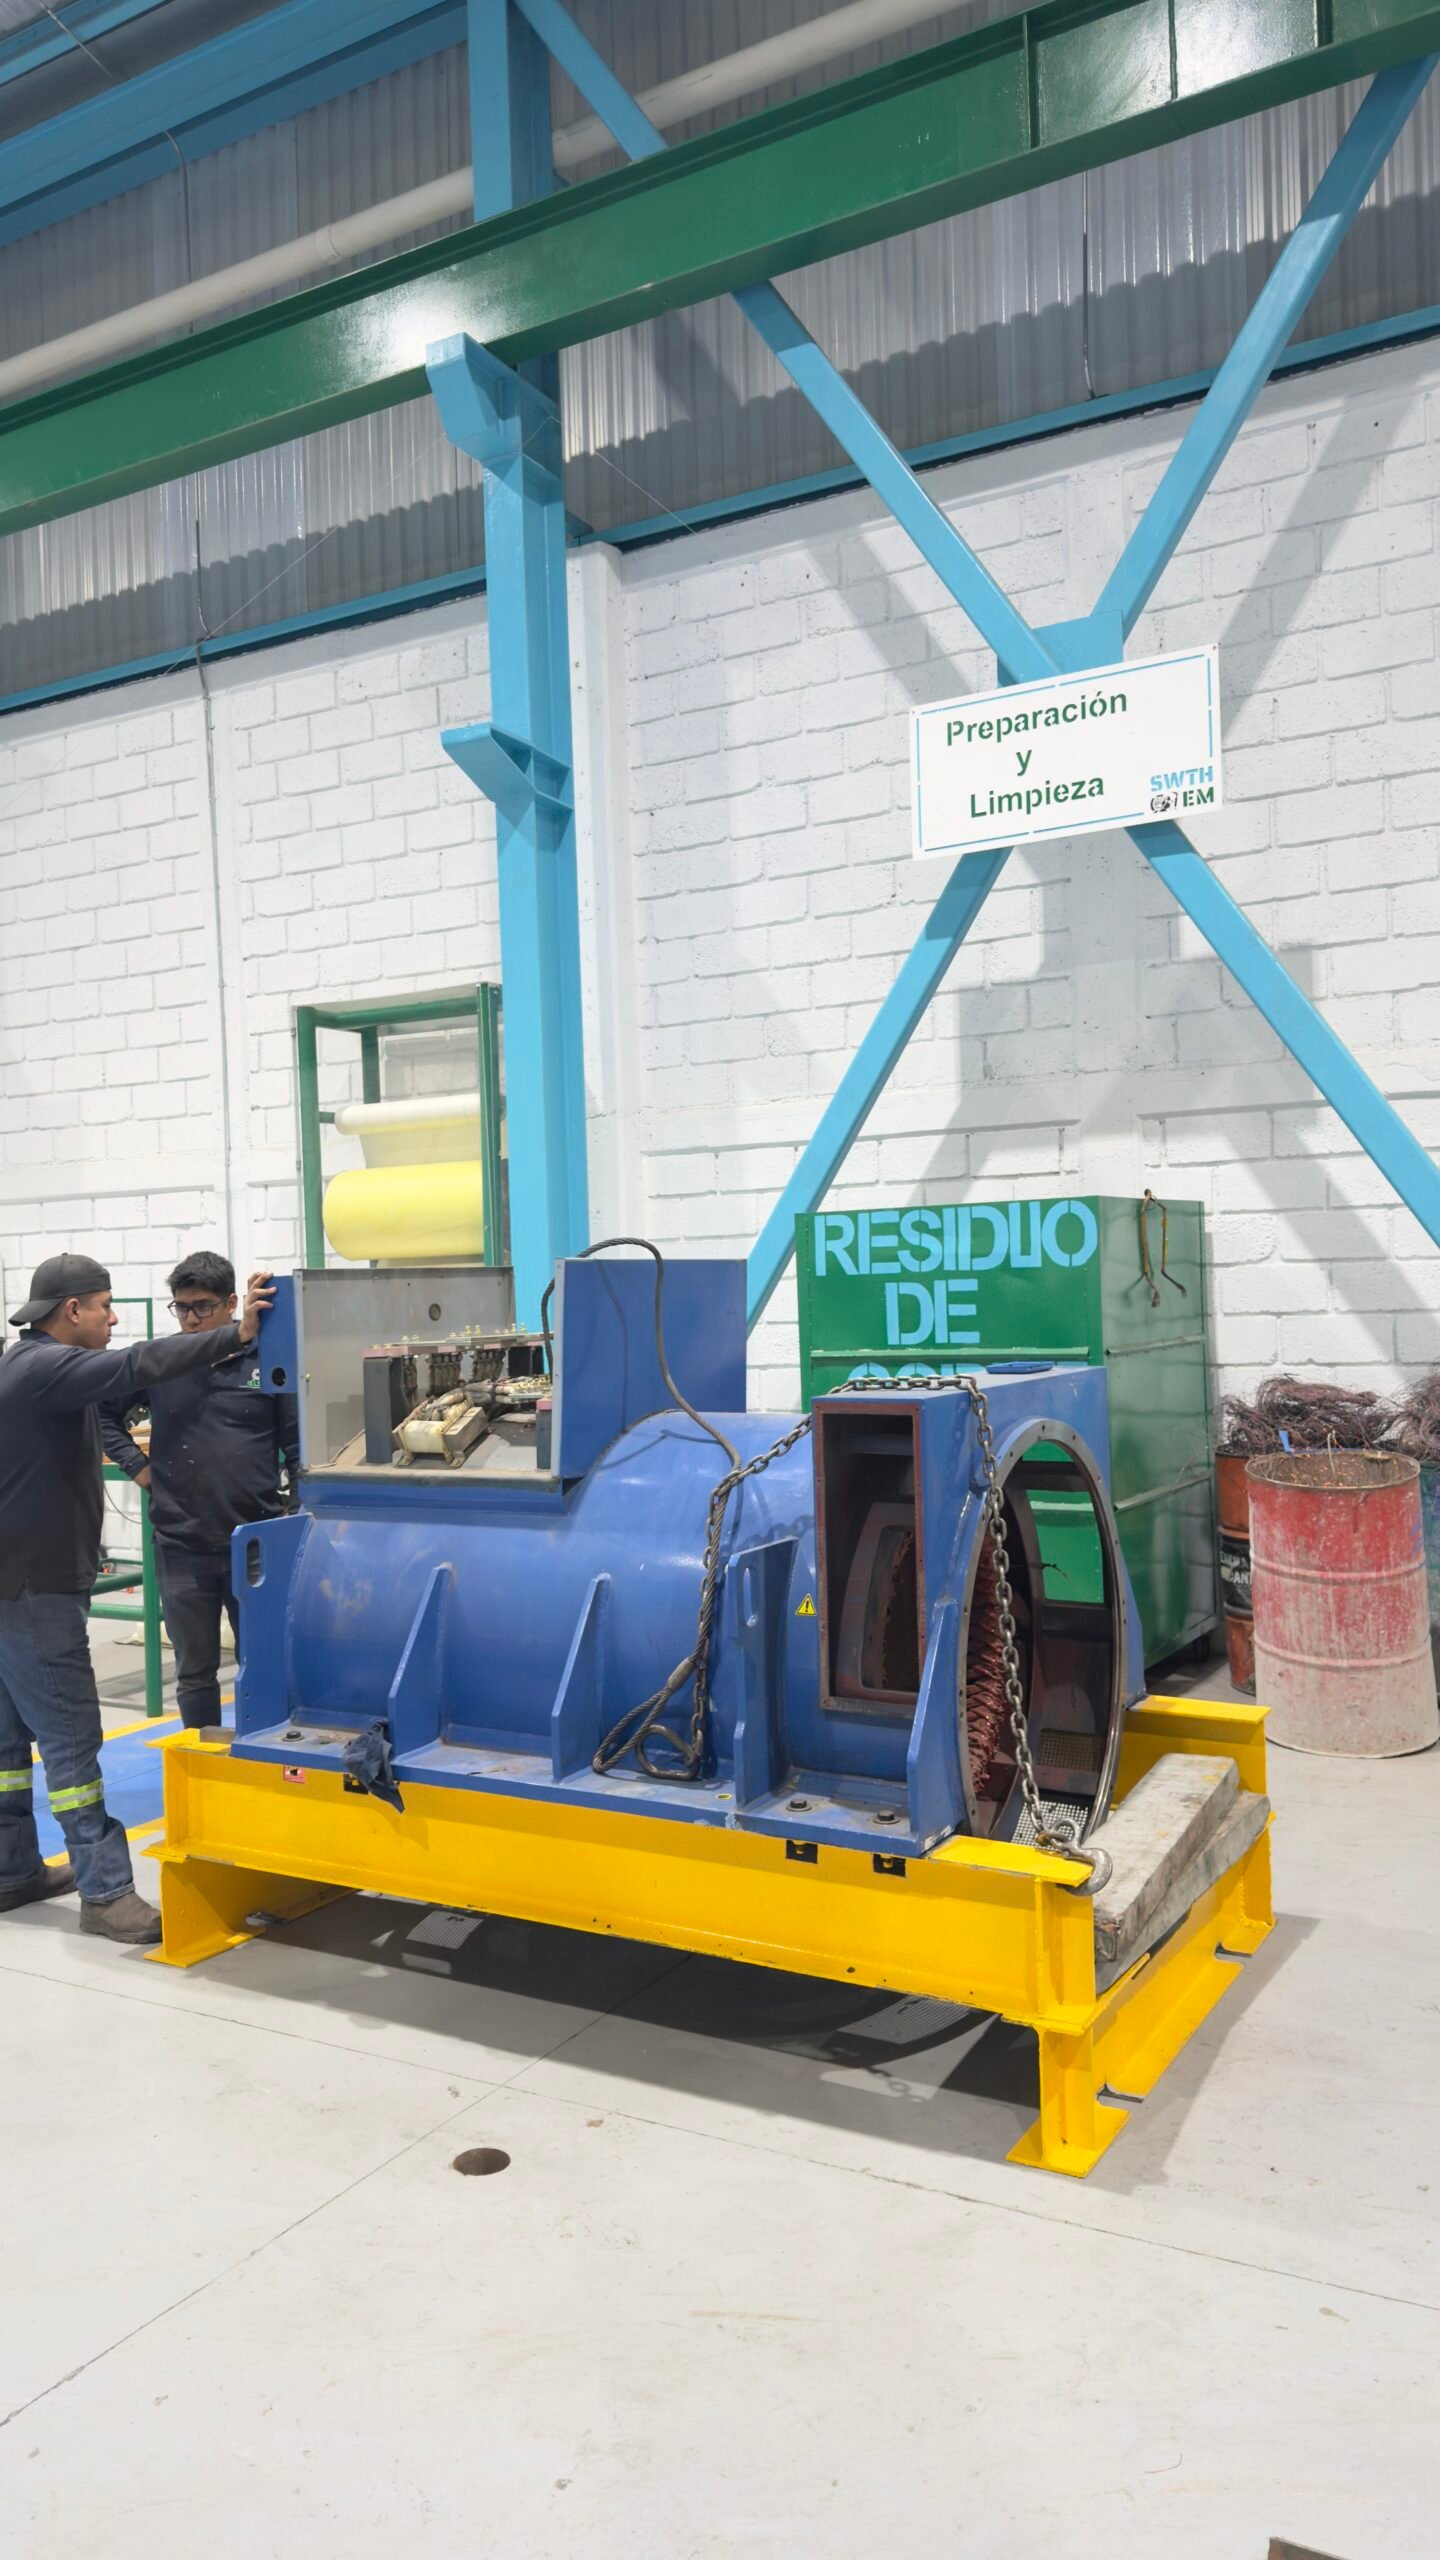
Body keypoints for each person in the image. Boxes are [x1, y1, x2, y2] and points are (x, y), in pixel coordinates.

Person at [0, 1252, 273, 1946]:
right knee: (70, 1740)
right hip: (35, 1587)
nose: (114, 1318)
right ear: (72, 1311)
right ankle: (106, 1892)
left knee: (7, 1743)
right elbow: (136, 1365)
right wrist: (236, 1333)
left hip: (16, 1582)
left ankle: (12, 1871)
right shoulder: (45, 1367)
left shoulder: (22, 1365)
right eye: (104, 1306)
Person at [102, 1251, 298, 1736]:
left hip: (254, 1544)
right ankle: (201, 1754)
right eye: (182, 1308)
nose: (191, 1319)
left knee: (264, 1661)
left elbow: (297, 1446)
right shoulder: (161, 1362)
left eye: (203, 1307)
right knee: (194, 1671)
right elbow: (102, 1414)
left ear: (231, 1304)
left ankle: (260, 1752)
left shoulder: (268, 1360)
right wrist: (139, 1469)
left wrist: (298, 1514)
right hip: (181, 1542)